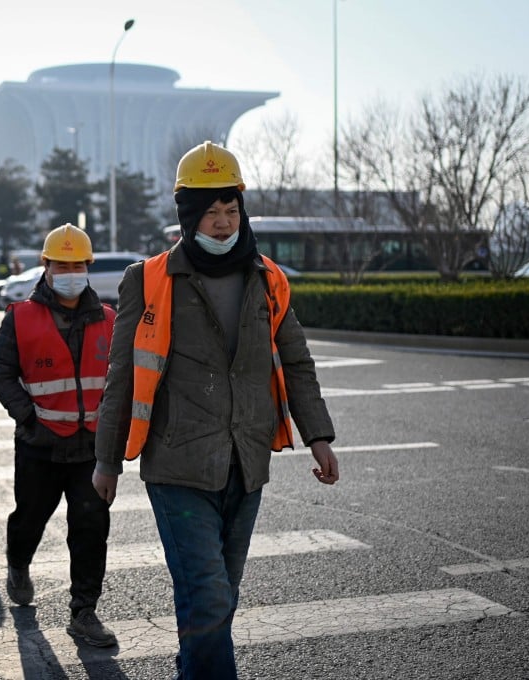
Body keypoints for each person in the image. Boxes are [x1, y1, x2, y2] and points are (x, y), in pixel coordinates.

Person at [92, 141, 340, 679]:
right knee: (206, 596)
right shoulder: (149, 279)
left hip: (246, 463)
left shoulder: (268, 279)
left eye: (231, 211)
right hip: (178, 466)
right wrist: (107, 460)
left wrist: (318, 434)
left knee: (220, 598)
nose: (224, 224)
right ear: (188, 215)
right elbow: (122, 375)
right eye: (212, 212)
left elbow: (296, 361)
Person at [0, 224, 118, 647]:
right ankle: (18, 563)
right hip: (39, 446)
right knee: (29, 520)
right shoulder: (21, 318)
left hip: (91, 448)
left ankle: (85, 612)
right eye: (62, 264)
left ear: (88, 268)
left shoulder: (110, 320)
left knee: (90, 528)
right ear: (46, 267)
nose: (70, 272)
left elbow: (123, 379)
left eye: (77, 264)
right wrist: (27, 418)